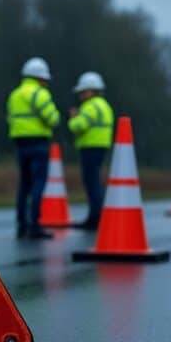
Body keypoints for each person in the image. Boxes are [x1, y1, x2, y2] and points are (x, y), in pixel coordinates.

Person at [7, 57, 60, 239]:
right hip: (38, 143)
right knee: (38, 183)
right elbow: (53, 119)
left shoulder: (15, 94)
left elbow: (11, 118)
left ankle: (22, 224)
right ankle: (34, 225)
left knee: (24, 183)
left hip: (20, 143)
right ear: (40, 78)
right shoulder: (40, 94)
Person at [67, 71, 115, 230]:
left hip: (89, 147)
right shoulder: (105, 106)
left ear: (91, 91)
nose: (81, 95)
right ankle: (98, 215)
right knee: (95, 182)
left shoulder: (90, 106)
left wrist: (73, 118)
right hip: (101, 146)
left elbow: (77, 126)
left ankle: (95, 217)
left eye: (83, 91)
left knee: (91, 183)